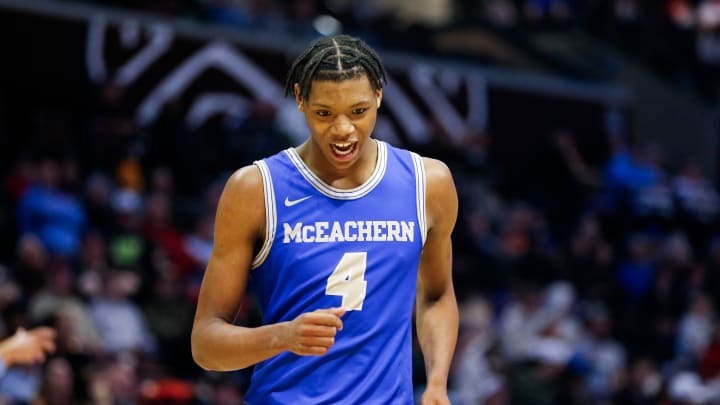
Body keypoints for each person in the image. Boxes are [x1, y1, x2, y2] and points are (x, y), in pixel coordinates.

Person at [191, 34, 459, 404]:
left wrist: (437, 382)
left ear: (379, 95)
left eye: (358, 111)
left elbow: (437, 295)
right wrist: (282, 336)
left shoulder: (428, 183)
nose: (343, 129)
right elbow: (205, 344)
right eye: (324, 114)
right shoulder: (255, 189)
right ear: (300, 99)